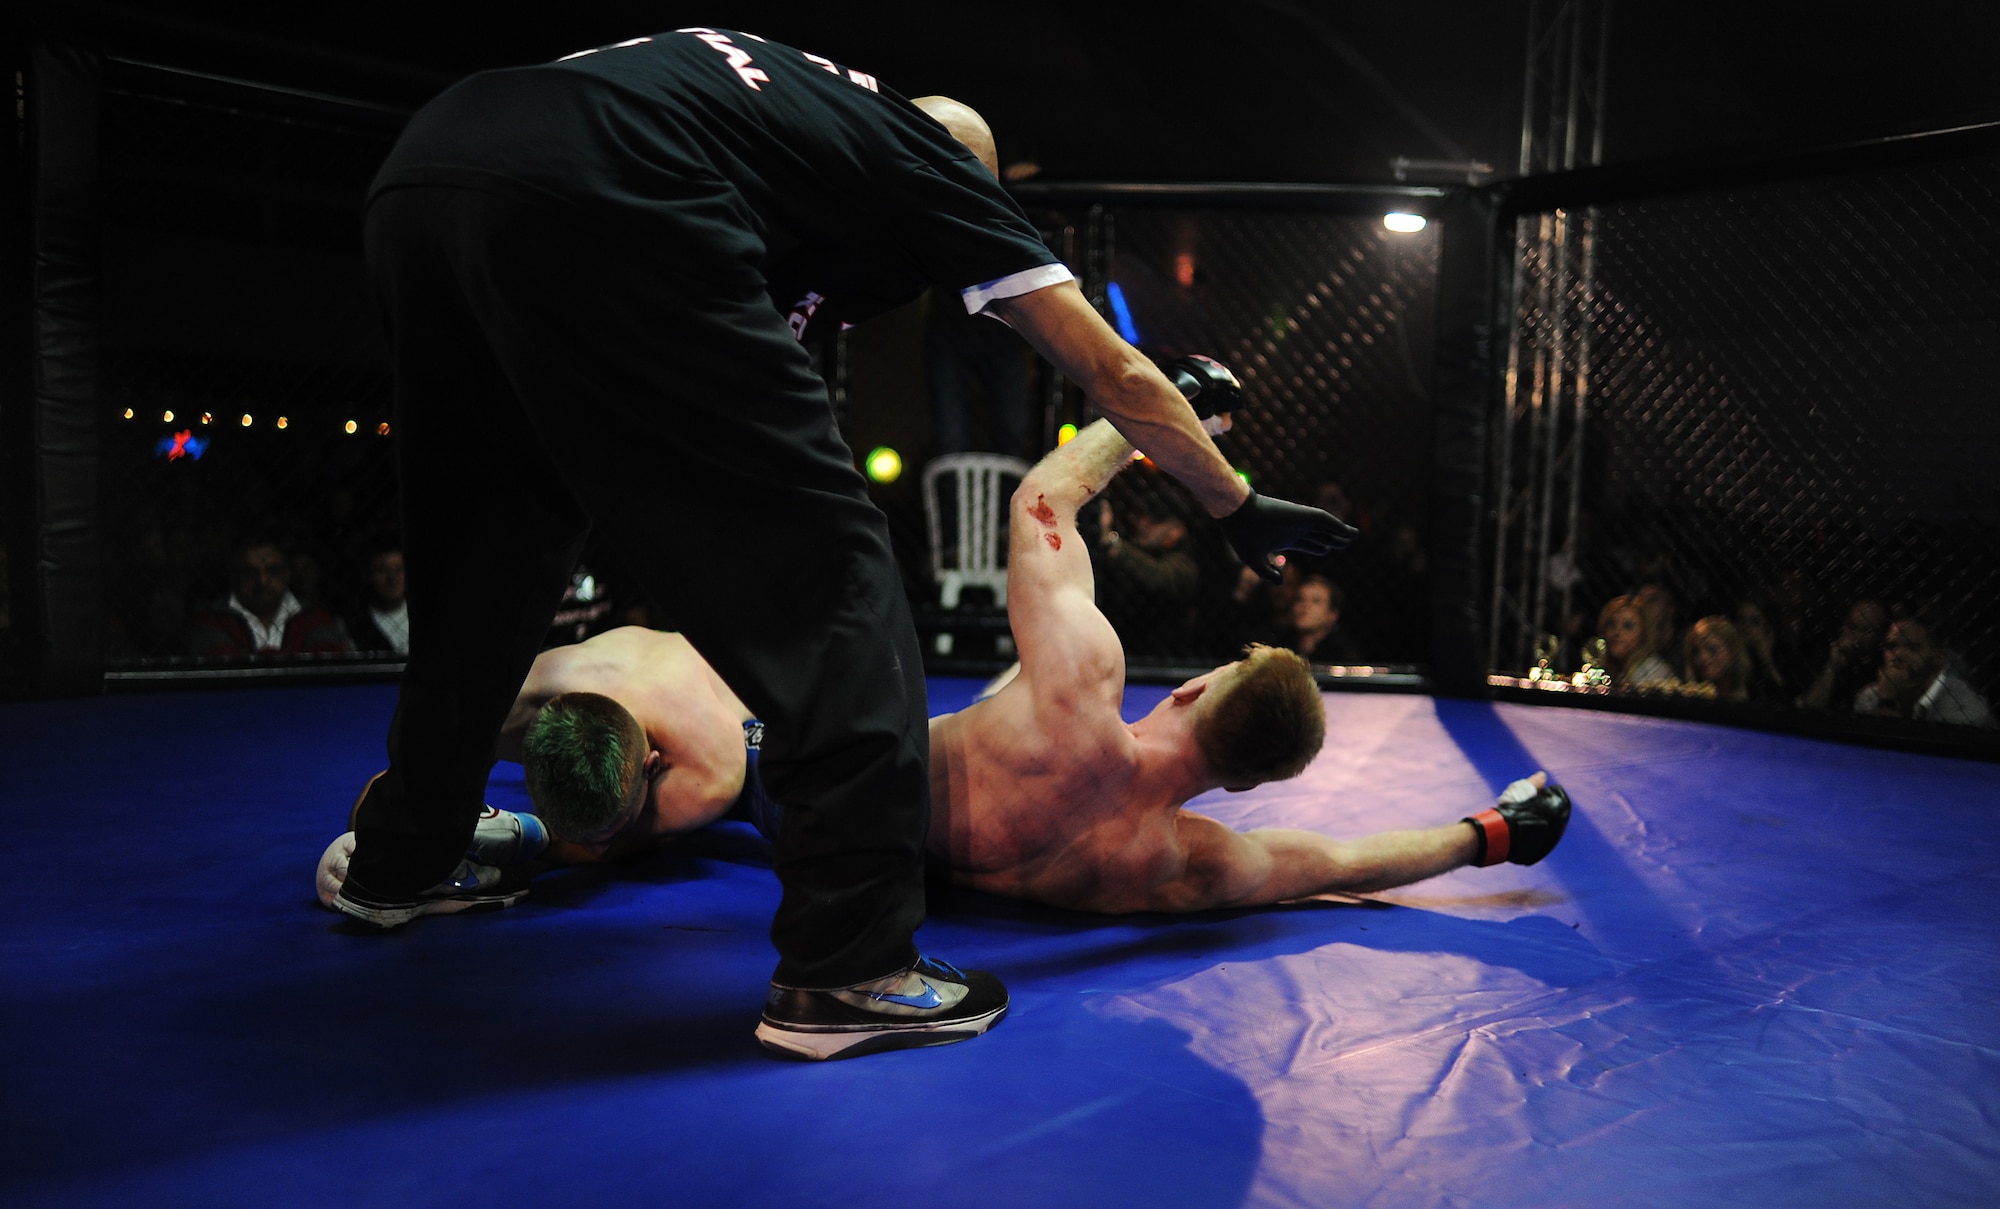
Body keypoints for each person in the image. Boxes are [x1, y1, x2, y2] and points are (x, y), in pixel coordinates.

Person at [343, 27, 1348, 1061]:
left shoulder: (786, 136)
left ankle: (400, 861)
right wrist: (1233, 503)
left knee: (491, 553)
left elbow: (697, 383)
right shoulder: (924, 161)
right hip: (605, 198)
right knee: (841, 586)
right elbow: (1120, 373)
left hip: (422, 181)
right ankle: (849, 966)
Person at [320, 420, 1567, 921]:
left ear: (1193, 691)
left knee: (656, 714)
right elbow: (1340, 866)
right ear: (1244, 783)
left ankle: (473, 822)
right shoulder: (1181, 862)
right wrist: (1484, 835)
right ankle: (512, 830)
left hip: (798, 780)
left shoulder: (1084, 687)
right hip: (838, 831)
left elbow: (1038, 503)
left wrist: (1159, 421)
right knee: (667, 764)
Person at [184, 536, 355, 657]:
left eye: (272, 571)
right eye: (250, 572)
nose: (262, 581)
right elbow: (222, 670)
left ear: (287, 574)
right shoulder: (210, 621)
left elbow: (327, 666)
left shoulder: (314, 617)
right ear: (234, 577)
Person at [1853, 616, 1994, 727]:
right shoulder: (1870, 697)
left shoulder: (1964, 707)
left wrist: (1887, 703)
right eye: (1891, 646)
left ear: (1937, 659)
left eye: (1912, 648)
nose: (1897, 656)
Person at [1797, 597, 1888, 713]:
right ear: (1843, 625)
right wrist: (1832, 667)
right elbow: (1809, 708)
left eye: (1867, 631)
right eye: (1852, 627)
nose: (1857, 637)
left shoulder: (1882, 666)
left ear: (1880, 635)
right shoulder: (1824, 655)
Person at [1595, 595, 1672, 690]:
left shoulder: (1654, 673)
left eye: (1628, 626)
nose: (1617, 632)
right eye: (1612, 624)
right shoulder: (1602, 669)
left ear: (1644, 633)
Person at [1284, 574, 1363, 665]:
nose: (1305, 606)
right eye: (1300, 599)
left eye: (1316, 601)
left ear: (1333, 614)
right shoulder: (1280, 649)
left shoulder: (1343, 657)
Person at [345, 546, 409, 656]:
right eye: (382, 570)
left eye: (398, 569)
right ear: (368, 576)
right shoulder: (354, 624)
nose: (392, 578)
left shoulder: (426, 616)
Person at [1682, 614, 1752, 702]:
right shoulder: (1690, 697)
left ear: (1733, 649)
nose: (1703, 658)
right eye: (1696, 652)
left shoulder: (1755, 691)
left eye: (1712, 649)